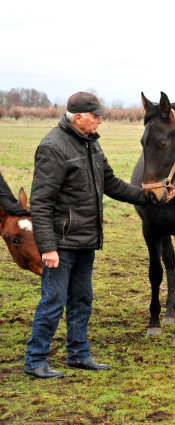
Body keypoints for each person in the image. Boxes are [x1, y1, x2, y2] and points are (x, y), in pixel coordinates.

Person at [24, 92, 149, 379]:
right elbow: (40, 202)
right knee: (53, 301)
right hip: (61, 243)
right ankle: (35, 360)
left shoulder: (91, 144)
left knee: (82, 299)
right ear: (77, 117)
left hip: (85, 240)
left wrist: (147, 197)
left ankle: (78, 354)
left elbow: (111, 183)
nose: (100, 120)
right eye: (96, 116)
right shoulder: (53, 147)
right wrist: (48, 247)